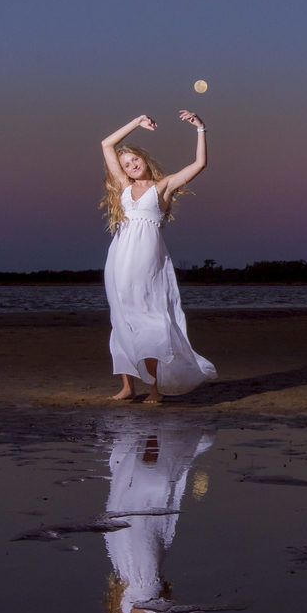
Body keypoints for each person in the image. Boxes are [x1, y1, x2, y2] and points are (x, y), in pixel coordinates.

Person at [100, 111, 217, 403]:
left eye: (134, 160)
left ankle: (157, 388)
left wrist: (201, 128)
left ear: (144, 159)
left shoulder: (162, 186)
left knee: (151, 319)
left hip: (147, 257)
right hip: (119, 257)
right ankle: (129, 387)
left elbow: (200, 164)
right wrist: (136, 121)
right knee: (122, 317)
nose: (130, 165)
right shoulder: (124, 186)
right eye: (125, 164)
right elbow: (106, 144)